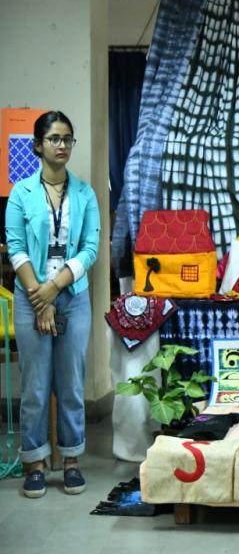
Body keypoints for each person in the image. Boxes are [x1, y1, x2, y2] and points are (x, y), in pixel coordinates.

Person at [5, 111, 100, 498]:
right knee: (35, 385)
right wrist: (40, 298)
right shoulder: (21, 193)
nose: (62, 146)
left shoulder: (85, 193)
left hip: (73, 296)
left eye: (67, 139)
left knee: (72, 382)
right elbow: (16, 248)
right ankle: (34, 463)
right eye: (54, 139)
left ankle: (72, 459)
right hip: (31, 296)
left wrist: (55, 288)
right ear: (38, 145)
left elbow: (90, 249)